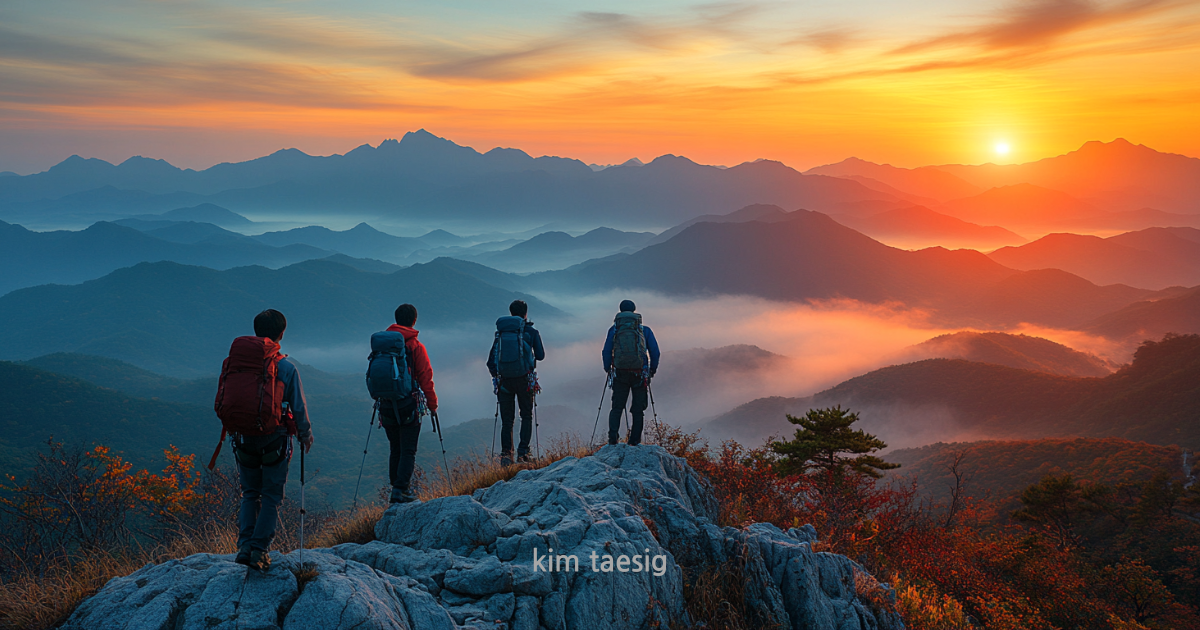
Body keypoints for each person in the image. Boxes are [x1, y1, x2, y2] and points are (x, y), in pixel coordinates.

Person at [232, 309, 313, 571]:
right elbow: (298, 408)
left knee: (250, 493)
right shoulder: (286, 368)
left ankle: (245, 545)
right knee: (270, 497)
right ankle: (259, 550)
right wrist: (305, 434)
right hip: (274, 441)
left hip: (242, 438)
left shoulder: (237, 364)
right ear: (281, 335)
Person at [378, 303, 438, 503]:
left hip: (386, 405)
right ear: (414, 321)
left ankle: (396, 488)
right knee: (408, 449)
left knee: (395, 448)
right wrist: (432, 404)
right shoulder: (415, 346)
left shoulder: (383, 346)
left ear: (396, 320)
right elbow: (425, 377)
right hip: (408, 405)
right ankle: (401, 489)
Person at [486, 299, 546, 466]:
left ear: (511, 312)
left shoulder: (501, 334)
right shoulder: (531, 332)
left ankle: (506, 456)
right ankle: (523, 454)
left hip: (504, 381)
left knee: (507, 420)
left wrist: (498, 376)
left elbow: (491, 361)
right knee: (526, 415)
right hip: (525, 380)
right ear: (525, 313)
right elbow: (540, 356)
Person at [602, 299, 660, 446]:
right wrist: (652, 369)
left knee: (617, 407)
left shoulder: (614, 330)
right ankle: (634, 441)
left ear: (620, 311)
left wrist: (608, 368)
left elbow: (606, 351)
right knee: (638, 409)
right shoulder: (644, 330)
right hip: (640, 373)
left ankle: (613, 439)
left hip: (620, 372)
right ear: (634, 311)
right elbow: (655, 352)